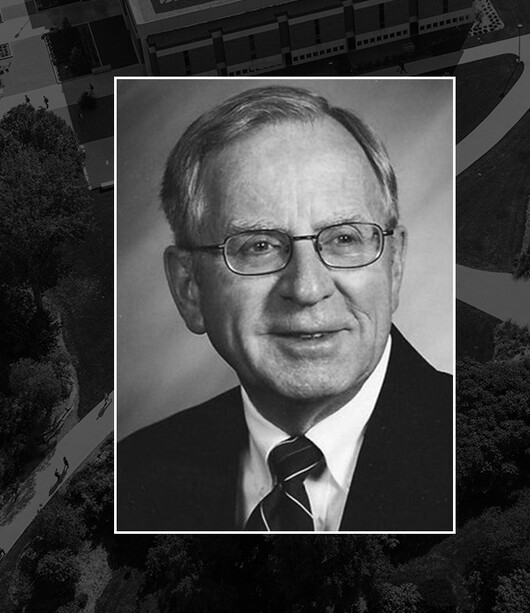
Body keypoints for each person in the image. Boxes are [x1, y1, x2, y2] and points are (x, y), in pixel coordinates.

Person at [116, 85, 453, 532]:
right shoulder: (133, 478)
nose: (307, 287)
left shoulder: (478, 442)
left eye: (345, 238)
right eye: (258, 246)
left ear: (394, 267)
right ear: (189, 287)